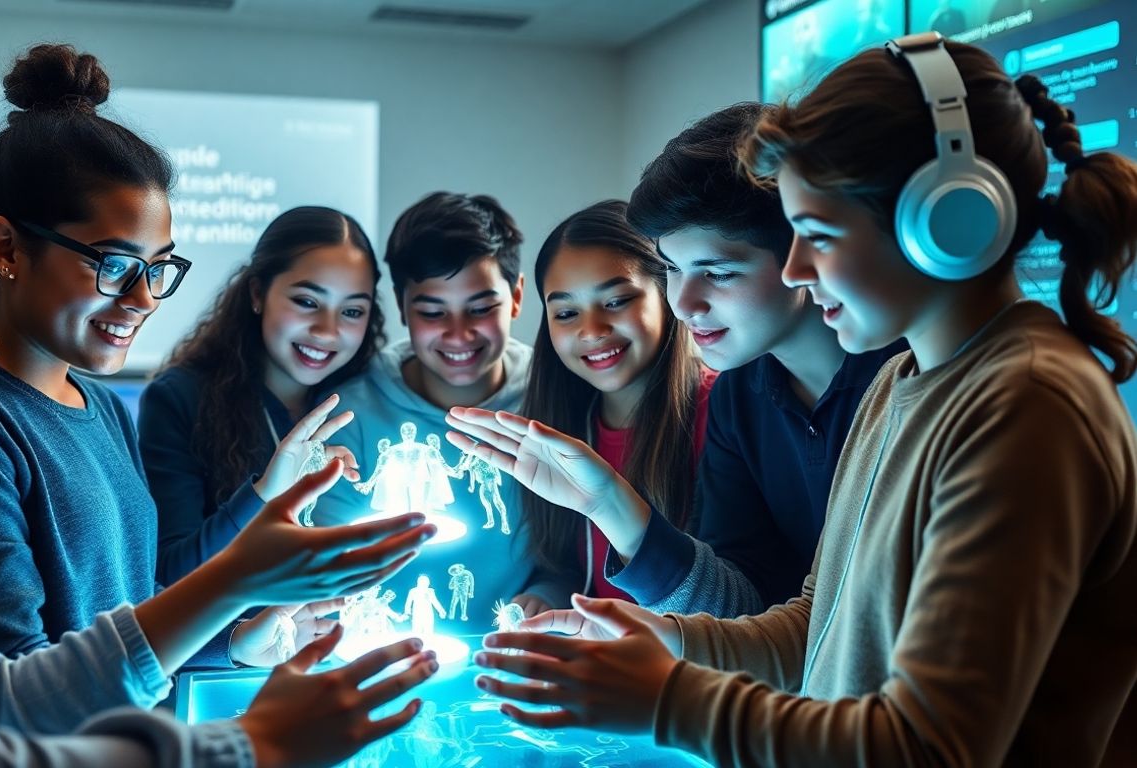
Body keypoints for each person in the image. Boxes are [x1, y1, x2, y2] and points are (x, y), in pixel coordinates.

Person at [0, 4, 436, 765]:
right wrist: (248, 737)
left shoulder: (99, 410)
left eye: (157, 270)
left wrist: (247, 627)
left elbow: (89, 659)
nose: (146, 298)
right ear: (7, 249)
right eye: (117, 266)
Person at [471, 36, 1137, 766]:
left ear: (947, 225)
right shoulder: (902, 381)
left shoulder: (1026, 405)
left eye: (816, 235)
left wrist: (668, 699)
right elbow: (818, 628)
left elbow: (929, 746)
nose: (795, 268)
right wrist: (669, 640)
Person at [625, 102, 902, 616]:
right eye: (671, 269)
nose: (684, 304)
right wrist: (612, 508)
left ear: (806, 251)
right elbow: (747, 601)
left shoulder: (911, 380)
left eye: (720, 273)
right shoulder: (738, 392)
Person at [448, 200, 715, 608]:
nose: (592, 330)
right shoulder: (563, 424)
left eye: (616, 301)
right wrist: (549, 594)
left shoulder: (721, 412)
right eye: (567, 312)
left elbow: (742, 598)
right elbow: (573, 570)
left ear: (665, 293)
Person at [314, 192, 563, 619]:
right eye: (433, 312)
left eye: (481, 309)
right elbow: (321, 560)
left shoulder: (552, 401)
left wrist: (551, 593)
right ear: (402, 308)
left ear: (517, 297)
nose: (459, 334)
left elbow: (575, 552)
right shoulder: (348, 413)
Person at [141, 206, 384, 583]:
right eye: (307, 302)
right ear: (258, 293)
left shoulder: (369, 397)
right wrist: (265, 493)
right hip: (235, 640)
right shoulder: (180, 399)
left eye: (352, 311)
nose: (326, 331)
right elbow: (171, 574)